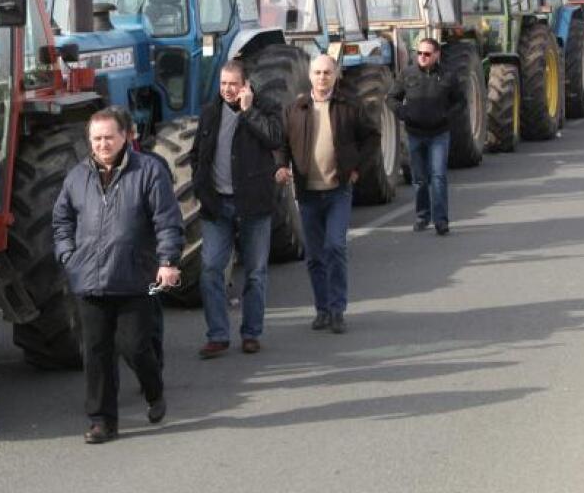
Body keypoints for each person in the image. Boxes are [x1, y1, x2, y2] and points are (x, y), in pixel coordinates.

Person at [52, 106, 184, 444]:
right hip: (89, 280)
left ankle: (154, 390)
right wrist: (68, 255)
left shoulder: (149, 171)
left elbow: (167, 221)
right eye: (96, 139)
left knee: (135, 347)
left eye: (109, 137)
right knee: (96, 353)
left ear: (125, 136)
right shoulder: (77, 177)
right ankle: (102, 421)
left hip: (135, 278)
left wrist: (167, 261)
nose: (103, 144)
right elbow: (62, 220)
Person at [276, 55, 379, 334]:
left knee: (335, 247)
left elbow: (372, 137)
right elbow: (281, 143)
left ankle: (337, 310)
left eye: (327, 73)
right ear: (310, 76)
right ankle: (322, 310)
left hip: (338, 191)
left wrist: (357, 169)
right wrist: (281, 166)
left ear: (335, 75)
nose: (322, 78)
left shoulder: (349, 107)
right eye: (318, 73)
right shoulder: (295, 109)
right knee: (314, 256)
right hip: (308, 194)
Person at [190, 59, 283, 358]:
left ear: (246, 85)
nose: (227, 89)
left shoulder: (265, 108)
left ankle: (251, 333)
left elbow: (275, 138)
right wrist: (201, 188)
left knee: (255, 273)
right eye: (223, 84)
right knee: (210, 270)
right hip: (217, 206)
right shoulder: (210, 112)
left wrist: (248, 111)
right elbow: (197, 154)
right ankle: (218, 335)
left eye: (233, 84)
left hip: (253, 205)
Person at [385, 38, 464, 236]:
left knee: (438, 177)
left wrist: (446, 116)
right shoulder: (407, 74)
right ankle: (422, 216)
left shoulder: (448, 75)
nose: (422, 57)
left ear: (437, 55)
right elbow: (391, 98)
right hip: (415, 134)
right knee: (419, 179)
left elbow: (460, 102)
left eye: (427, 54)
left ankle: (441, 220)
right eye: (419, 53)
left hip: (439, 134)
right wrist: (404, 113)